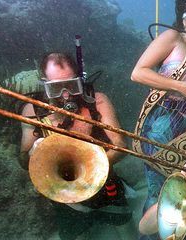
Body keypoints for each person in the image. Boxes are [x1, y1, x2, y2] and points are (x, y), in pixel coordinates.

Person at [19, 52, 136, 239]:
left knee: (126, 230)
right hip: (63, 193)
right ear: (45, 85)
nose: (66, 95)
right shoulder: (32, 110)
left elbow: (121, 145)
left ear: (80, 79)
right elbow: (23, 158)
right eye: (56, 88)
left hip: (103, 181)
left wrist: (90, 171)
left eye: (71, 85)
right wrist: (33, 153)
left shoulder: (97, 101)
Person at [131, 1, 186, 235]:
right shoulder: (173, 37)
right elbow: (138, 73)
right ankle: (151, 235)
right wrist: (180, 87)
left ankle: (177, 233)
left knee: (183, 183)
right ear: (185, 17)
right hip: (160, 126)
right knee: (158, 189)